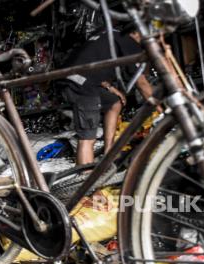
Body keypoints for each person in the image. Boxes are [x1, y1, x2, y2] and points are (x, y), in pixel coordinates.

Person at [61, 30, 153, 165]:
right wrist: (161, 108)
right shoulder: (129, 42)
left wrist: (111, 89)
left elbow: (90, 63)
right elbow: (142, 84)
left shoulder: (110, 34)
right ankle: (85, 179)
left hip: (76, 79)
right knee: (87, 138)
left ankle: (109, 151)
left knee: (114, 102)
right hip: (81, 86)